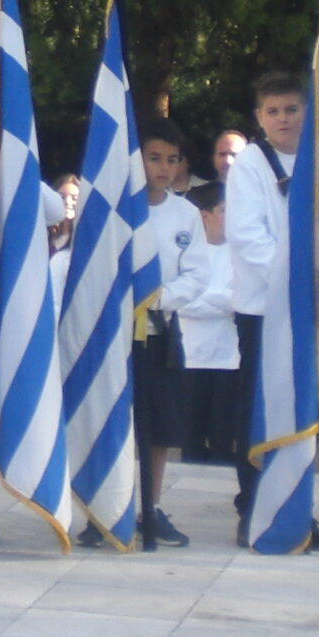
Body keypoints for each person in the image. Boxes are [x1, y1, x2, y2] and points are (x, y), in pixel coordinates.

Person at [224, 73, 319, 549]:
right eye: (273, 111)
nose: (283, 118)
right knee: (260, 407)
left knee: (301, 406)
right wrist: (291, 285)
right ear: (259, 118)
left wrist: (318, 283)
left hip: (309, 308)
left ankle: (296, 508)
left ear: (308, 113)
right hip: (265, 308)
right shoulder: (250, 166)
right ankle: (254, 506)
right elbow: (247, 236)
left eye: (292, 109)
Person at [135, 121, 211, 541]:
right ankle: (104, 504)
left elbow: (197, 274)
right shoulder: (115, 209)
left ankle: (151, 504)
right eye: (154, 158)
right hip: (116, 331)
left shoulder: (185, 214)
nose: (163, 168)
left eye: (172, 159)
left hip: (160, 327)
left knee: (160, 424)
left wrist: (161, 297)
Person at [176, 182, 240, 471]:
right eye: (225, 210)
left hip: (227, 359)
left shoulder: (238, 254)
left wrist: (205, 294)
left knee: (223, 436)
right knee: (190, 435)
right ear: (205, 216)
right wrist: (219, 299)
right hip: (189, 357)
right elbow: (181, 301)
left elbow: (240, 298)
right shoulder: (186, 253)